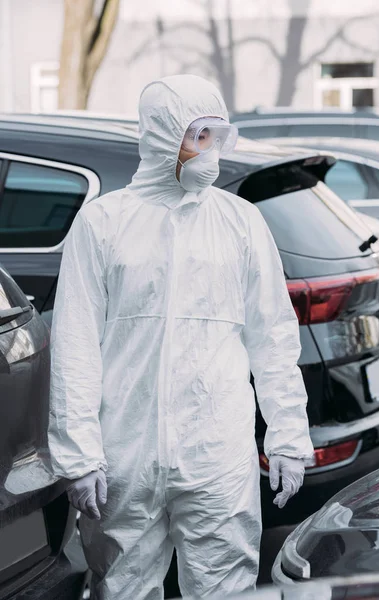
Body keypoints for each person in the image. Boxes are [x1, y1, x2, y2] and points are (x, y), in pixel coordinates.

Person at [48, 74, 314, 600]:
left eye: (218, 137)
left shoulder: (240, 222)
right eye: (199, 136)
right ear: (162, 136)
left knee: (226, 587)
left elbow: (273, 337)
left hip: (217, 452)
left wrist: (287, 434)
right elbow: (75, 344)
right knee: (122, 587)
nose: (210, 152)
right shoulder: (103, 223)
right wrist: (79, 455)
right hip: (124, 454)